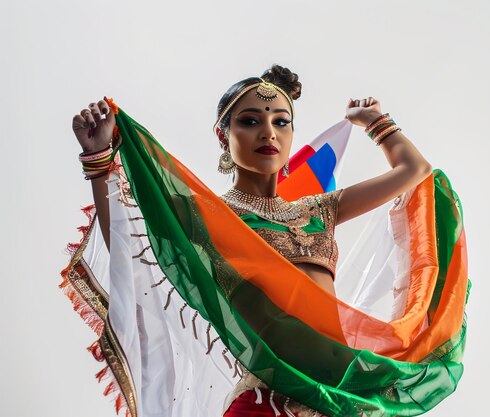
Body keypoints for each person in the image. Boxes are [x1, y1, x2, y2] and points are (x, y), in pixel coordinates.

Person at [67, 64, 468, 417]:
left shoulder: (320, 210)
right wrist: (99, 159)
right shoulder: (210, 217)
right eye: (250, 120)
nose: (268, 132)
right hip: (269, 403)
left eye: (280, 121)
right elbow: (127, 234)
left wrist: (374, 120)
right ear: (223, 136)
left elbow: (414, 169)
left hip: (344, 398)